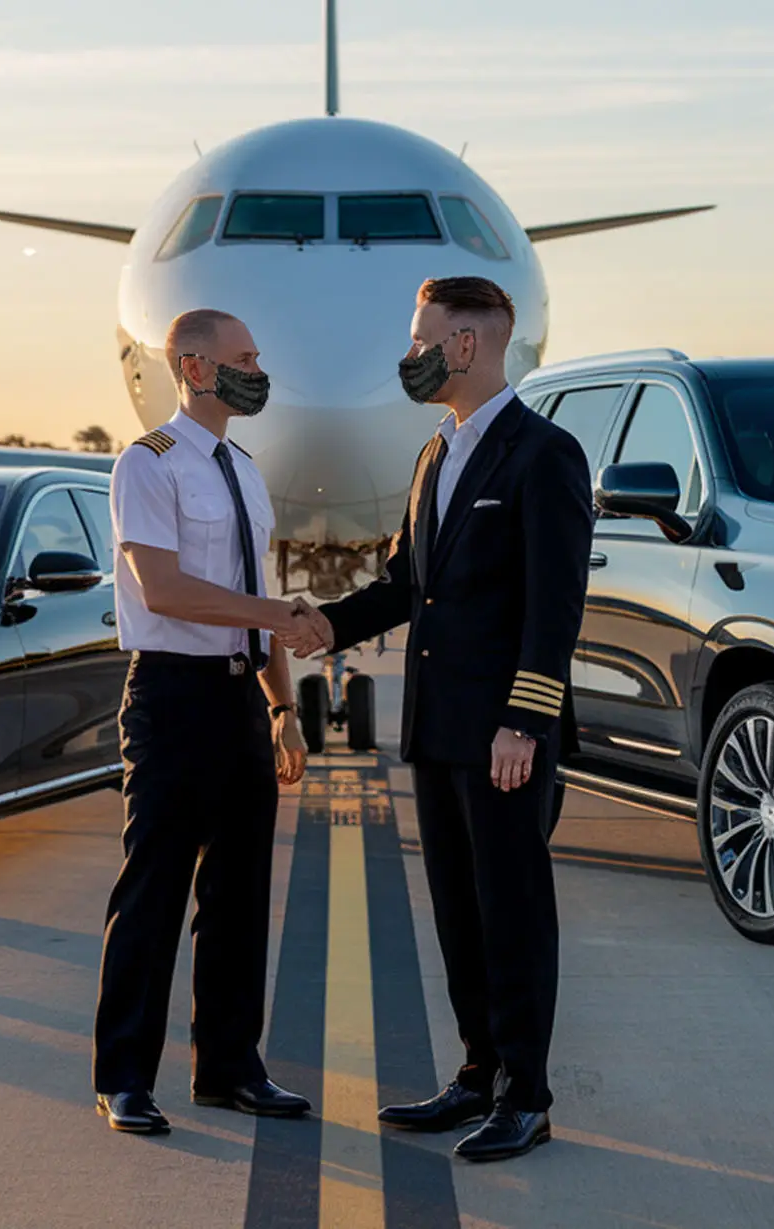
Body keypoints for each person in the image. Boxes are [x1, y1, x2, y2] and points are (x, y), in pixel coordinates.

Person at [291, 276, 594, 1162]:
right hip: (437, 730)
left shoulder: (545, 456)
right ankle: (477, 1074)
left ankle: (526, 1095)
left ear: (465, 345)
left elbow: (554, 609)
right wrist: (322, 625)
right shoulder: (437, 455)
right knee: (459, 913)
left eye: (421, 339)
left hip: (503, 737)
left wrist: (525, 724)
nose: (410, 354)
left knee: (513, 913)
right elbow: (403, 585)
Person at [93, 307, 317, 1134]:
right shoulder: (148, 465)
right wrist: (282, 612)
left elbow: (253, 610)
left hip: (236, 700)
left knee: (239, 895)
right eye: (244, 358)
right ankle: (124, 1076)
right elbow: (167, 591)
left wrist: (284, 707)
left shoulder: (247, 469)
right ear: (194, 368)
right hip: (172, 698)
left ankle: (229, 1067)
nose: (257, 370)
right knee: (151, 893)